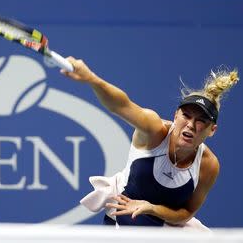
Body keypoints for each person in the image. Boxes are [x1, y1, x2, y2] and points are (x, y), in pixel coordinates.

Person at [61, 58, 239, 227]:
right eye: (186, 115)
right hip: (123, 222)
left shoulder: (208, 165)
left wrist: (152, 208)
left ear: (212, 130)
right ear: (176, 115)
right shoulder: (154, 130)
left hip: (166, 230)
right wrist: (91, 79)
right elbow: (121, 105)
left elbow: (186, 213)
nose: (191, 125)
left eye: (201, 121)